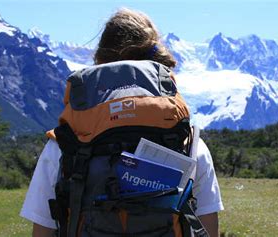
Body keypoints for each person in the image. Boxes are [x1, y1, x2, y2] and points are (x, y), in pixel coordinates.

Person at [20, 8, 224, 237]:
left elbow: (42, 231)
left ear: (99, 59)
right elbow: (208, 229)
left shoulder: (65, 143)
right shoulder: (187, 143)